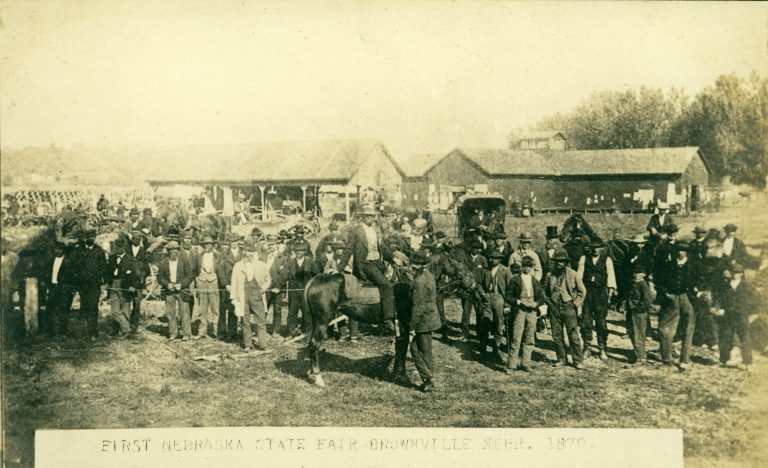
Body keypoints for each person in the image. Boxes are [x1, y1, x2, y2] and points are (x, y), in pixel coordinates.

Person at [341, 205, 396, 330]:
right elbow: (348, 250)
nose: (371, 218)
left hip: (377, 263)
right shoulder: (357, 231)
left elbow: (383, 248)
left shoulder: (375, 231)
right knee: (386, 286)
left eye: (372, 216)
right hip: (365, 264)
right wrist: (339, 269)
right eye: (368, 216)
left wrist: (393, 258)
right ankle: (388, 318)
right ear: (363, 217)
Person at [656, 241, 697, 370]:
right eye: (678, 250)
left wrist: (696, 292)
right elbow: (659, 281)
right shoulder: (669, 265)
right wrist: (665, 293)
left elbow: (702, 280)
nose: (680, 252)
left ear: (687, 252)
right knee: (664, 328)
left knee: (688, 328)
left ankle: (684, 359)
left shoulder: (693, 266)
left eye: (683, 250)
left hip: (687, 298)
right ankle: (666, 358)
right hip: (671, 298)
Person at [542, 250, 587, 369]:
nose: (559, 264)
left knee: (573, 335)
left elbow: (582, 291)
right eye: (557, 262)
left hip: (569, 307)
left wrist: (575, 304)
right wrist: (549, 303)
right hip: (554, 307)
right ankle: (561, 359)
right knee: (557, 335)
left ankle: (578, 360)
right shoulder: (549, 275)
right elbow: (543, 292)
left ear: (566, 263)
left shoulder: (573, 274)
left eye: (562, 262)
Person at [714, 264, 760, 370]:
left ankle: (746, 362)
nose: (735, 274)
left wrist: (754, 313)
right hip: (728, 314)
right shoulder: (726, 285)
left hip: (742, 315)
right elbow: (720, 299)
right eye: (733, 272)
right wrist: (718, 308)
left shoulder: (746, 286)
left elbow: (755, 301)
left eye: (738, 272)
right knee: (725, 335)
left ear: (741, 274)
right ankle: (724, 359)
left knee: (744, 337)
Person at [577, 240, 617, 361]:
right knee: (586, 321)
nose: (595, 250)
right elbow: (579, 277)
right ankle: (587, 346)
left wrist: (609, 294)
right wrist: (579, 294)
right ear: (590, 248)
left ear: (601, 248)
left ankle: (602, 347)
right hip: (587, 293)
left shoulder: (607, 260)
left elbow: (611, 277)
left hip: (600, 294)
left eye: (598, 247)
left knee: (601, 322)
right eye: (593, 247)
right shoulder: (584, 259)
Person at [407, 251, 441, 392]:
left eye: (414, 264)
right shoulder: (429, 276)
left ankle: (428, 378)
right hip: (430, 317)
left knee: (417, 350)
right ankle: (429, 378)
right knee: (425, 350)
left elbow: (417, 307)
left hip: (423, 320)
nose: (412, 266)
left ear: (420, 265)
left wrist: (412, 326)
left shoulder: (419, 281)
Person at [229, 239, 271, 351]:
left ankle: (263, 344)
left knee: (261, 320)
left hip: (256, 295)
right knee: (245, 320)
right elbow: (233, 283)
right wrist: (233, 298)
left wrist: (262, 289)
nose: (249, 254)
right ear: (243, 252)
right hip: (242, 295)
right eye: (247, 251)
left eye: (251, 251)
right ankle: (248, 344)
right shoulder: (238, 266)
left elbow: (268, 280)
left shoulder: (261, 265)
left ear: (254, 252)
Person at [506, 256, 545, 372]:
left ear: (532, 268)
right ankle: (512, 365)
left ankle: (525, 363)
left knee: (529, 337)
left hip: (531, 311)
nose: (527, 269)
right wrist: (518, 301)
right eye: (525, 266)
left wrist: (536, 303)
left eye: (529, 266)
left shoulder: (534, 280)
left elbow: (541, 297)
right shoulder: (515, 280)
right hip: (520, 310)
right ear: (521, 266)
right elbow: (508, 296)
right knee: (516, 337)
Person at [74, 228, 107, 342]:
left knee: (93, 307)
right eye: (88, 237)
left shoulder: (99, 251)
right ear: (85, 238)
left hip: (94, 285)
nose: (90, 239)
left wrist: (97, 276)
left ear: (95, 238)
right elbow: (73, 266)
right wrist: (78, 276)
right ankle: (83, 332)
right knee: (84, 307)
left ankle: (93, 332)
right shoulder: (79, 251)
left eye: (92, 237)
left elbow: (103, 267)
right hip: (82, 284)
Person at [106, 238, 143, 338]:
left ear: (125, 248)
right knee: (114, 311)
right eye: (117, 248)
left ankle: (123, 332)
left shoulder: (131, 259)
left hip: (126, 286)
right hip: (114, 285)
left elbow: (138, 276)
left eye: (121, 247)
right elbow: (107, 272)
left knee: (125, 309)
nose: (119, 250)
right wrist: (107, 283)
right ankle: (127, 328)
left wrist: (133, 286)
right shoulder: (112, 258)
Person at [157, 241, 194, 341]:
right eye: (171, 250)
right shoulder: (164, 262)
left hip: (182, 290)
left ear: (178, 250)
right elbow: (160, 277)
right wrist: (167, 284)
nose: (174, 251)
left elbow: (190, 275)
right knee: (170, 313)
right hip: (169, 290)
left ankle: (186, 334)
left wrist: (181, 285)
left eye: (176, 249)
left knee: (184, 312)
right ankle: (173, 333)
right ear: (168, 251)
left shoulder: (184, 261)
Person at [479, 249, 512, 361]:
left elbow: (510, 289)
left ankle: (496, 350)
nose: (492, 260)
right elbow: (479, 284)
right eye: (491, 258)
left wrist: (507, 305)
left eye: (495, 258)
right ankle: (482, 350)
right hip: (487, 298)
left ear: (500, 259)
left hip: (500, 299)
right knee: (484, 322)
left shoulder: (505, 271)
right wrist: (482, 295)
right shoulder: (485, 271)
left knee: (498, 324)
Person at [41, 243, 75, 336]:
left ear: (63, 250)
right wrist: (47, 283)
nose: (57, 251)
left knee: (63, 310)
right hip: (53, 287)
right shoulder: (51, 260)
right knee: (50, 309)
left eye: (59, 249)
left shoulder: (68, 261)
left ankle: (63, 332)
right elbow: (46, 272)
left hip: (63, 288)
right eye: (56, 249)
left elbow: (71, 276)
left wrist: (67, 288)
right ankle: (49, 331)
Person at [286, 243, 319, 338]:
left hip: (306, 292)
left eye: (300, 251)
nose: (298, 253)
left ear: (304, 252)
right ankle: (291, 332)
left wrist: (313, 289)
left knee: (307, 312)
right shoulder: (290, 263)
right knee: (292, 312)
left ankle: (308, 333)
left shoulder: (311, 262)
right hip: (294, 292)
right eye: (296, 251)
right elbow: (284, 277)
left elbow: (317, 276)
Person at [216, 235, 244, 341]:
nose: (234, 243)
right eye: (231, 241)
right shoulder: (224, 254)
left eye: (235, 241)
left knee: (235, 308)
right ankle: (222, 332)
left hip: (239, 286)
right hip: (226, 286)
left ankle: (234, 332)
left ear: (238, 241)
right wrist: (226, 284)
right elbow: (220, 270)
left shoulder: (243, 253)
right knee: (223, 309)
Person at [192, 236, 220, 339]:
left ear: (213, 245)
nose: (208, 246)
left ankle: (217, 332)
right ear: (203, 245)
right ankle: (202, 332)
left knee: (215, 309)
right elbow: (194, 270)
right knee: (202, 309)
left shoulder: (218, 256)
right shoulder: (198, 256)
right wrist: (197, 281)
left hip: (214, 285)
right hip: (202, 284)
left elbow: (220, 271)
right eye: (206, 244)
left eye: (210, 244)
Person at [459, 239, 487, 340]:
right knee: (466, 312)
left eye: (478, 248)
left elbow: (485, 275)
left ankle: (480, 333)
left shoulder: (483, 259)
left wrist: (481, 287)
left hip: (478, 291)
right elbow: (460, 274)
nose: (476, 250)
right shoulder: (465, 259)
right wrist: (467, 284)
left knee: (479, 312)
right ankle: (464, 333)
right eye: (474, 248)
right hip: (466, 290)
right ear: (470, 248)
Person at [626, 266, 653, 365]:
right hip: (632, 311)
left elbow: (648, 300)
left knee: (639, 334)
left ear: (643, 274)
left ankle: (642, 357)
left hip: (639, 313)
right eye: (634, 273)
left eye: (638, 273)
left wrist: (639, 309)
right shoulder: (633, 283)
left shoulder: (643, 285)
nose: (635, 275)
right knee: (632, 333)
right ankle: (637, 354)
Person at [266, 237, 292, 338]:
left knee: (277, 309)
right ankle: (262, 330)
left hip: (277, 289)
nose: (271, 247)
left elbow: (285, 275)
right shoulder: (265, 257)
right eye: (269, 244)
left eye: (272, 244)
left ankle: (276, 331)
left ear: (277, 245)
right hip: (266, 288)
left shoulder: (283, 258)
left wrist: (278, 287)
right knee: (264, 308)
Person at [127, 230, 149, 334]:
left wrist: (142, 275)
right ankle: (124, 326)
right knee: (125, 304)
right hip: (127, 283)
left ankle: (134, 327)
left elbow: (147, 269)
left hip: (139, 283)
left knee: (136, 306)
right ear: (132, 239)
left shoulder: (143, 252)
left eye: (139, 239)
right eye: (135, 238)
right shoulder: (126, 250)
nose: (137, 240)